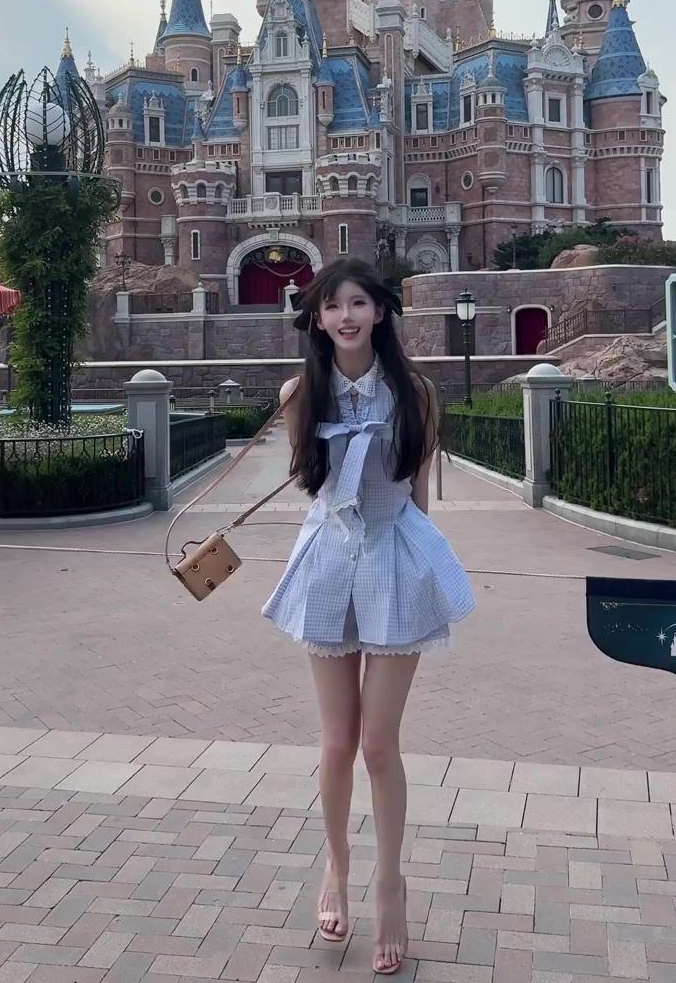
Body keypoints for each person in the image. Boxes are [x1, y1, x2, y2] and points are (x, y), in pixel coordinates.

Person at [262, 259, 474, 974]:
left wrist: (425, 574)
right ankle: (336, 865)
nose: (345, 316)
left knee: (379, 745)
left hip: (393, 563)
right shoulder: (300, 393)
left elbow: (418, 496)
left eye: (358, 303)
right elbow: (312, 488)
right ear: (317, 318)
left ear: (380, 312)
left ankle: (390, 884)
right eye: (332, 305)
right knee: (336, 743)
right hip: (329, 564)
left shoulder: (416, 392)